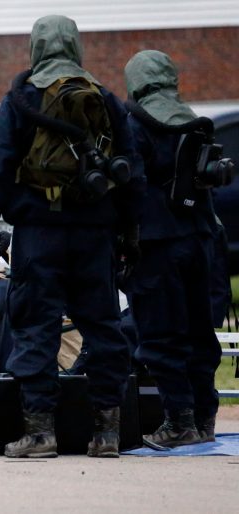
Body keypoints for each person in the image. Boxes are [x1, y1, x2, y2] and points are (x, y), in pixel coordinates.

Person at [0, 15, 142, 458]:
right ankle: (106, 434)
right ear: (76, 46)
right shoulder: (104, 97)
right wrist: (129, 232)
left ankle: (40, 433)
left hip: (39, 234)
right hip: (94, 234)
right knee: (103, 328)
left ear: (36, 46)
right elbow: (130, 171)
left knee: (35, 327)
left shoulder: (22, 96)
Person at [124, 50, 224, 448]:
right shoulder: (194, 122)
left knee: (161, 334)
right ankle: (205, 418)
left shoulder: (135, 124)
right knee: (200, 332)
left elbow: (130, 187)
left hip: (155, 245)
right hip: (200, 240)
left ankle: (179, 421)